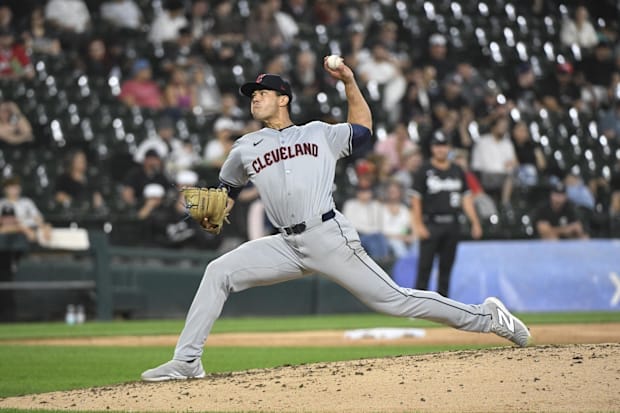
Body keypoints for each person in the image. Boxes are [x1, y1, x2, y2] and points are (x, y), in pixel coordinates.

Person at [141, 64, 531, 382]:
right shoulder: (244, 147)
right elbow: (226, 190)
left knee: (395, 300)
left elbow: (363, 129)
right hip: (285, 245)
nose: (254, 97)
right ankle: (187, 361)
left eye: (261, 92)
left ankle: (487, 316)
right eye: (250, 95)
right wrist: (217, 205)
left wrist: (348, 81)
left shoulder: (318, 133)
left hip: (328, 235)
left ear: (283, 99)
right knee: (218, 272)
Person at [411, 132, 483, 298]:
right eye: (437, 146)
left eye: (443, 146)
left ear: (449, 148)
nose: (440, 149)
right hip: (431, 223)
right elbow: (415, 200)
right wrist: (418, 225)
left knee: (446, 268)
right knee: (424, 267)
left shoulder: (457, 170)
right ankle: (416, 309)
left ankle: (443, 307)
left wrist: (475, 222)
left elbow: (466, 198)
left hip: (452, 224)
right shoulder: (424, 170)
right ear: (432, 148)